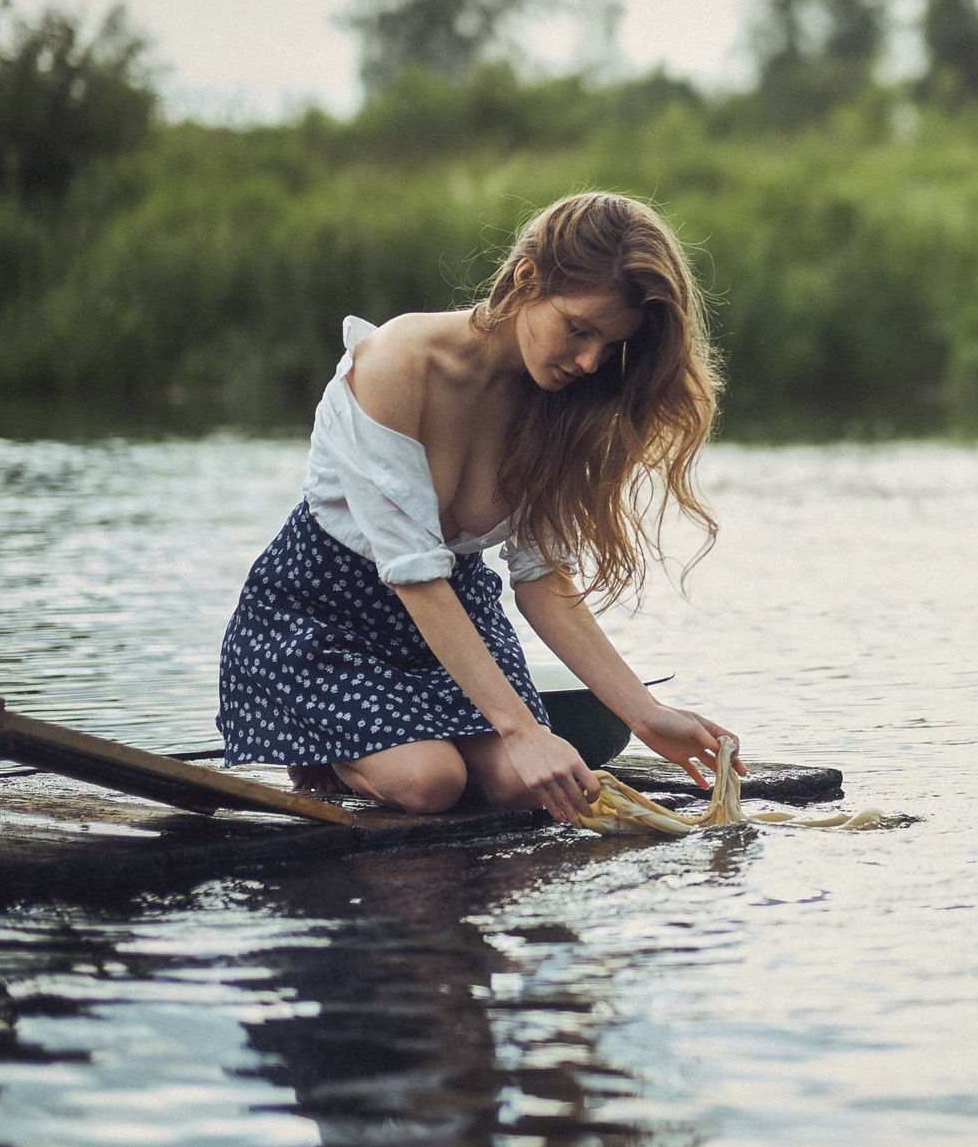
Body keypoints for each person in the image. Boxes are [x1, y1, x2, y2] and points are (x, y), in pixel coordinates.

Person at [217, 190, 738, 827]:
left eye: (610, 346)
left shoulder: (562, 405)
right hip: (322, 618)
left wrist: (644, 714)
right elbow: (412, 571)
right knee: (431, 781)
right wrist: (520, 730)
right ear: (527, 279)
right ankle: (323, 757)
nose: (589, 361)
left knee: (528, 785)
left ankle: (424, 741)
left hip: (454, 618)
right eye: (579, 329)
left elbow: (543, 578)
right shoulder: (396, 363)